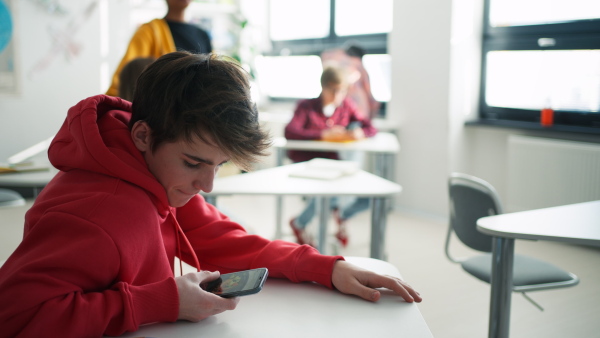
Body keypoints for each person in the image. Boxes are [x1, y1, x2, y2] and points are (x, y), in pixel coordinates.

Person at [0, 52, 421, 337]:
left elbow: (223, 238)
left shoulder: (156, 173)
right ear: (143, 135)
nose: (208, 185)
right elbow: (13, 316)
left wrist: (325, 268)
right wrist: (161, 301)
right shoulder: (95, 213)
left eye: (218, 165)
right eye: (194, 162)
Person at [285, 66, 377, 247]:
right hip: (308, 163)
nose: (337, 95)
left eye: (341, 91)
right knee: (330, 193)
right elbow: (291, 131)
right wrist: (323, 134)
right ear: (323, 87)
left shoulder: (346, 106)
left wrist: (360, 132)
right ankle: (301, 223)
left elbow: (371, 127)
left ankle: (341, 215)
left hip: (334, 164)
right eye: (333, 90)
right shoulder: (306, 106)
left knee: (370, 194)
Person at [105, 0, 212, 97]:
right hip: (161, 112)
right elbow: (126, 77)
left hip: (198, 110)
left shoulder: (203, 35)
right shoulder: (149, 32)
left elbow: (211, 77)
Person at [321, 43, 381, 119]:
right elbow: (370, 95)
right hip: (352, 111)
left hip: (352, 112)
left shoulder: (342, 66)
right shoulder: (357, 67)